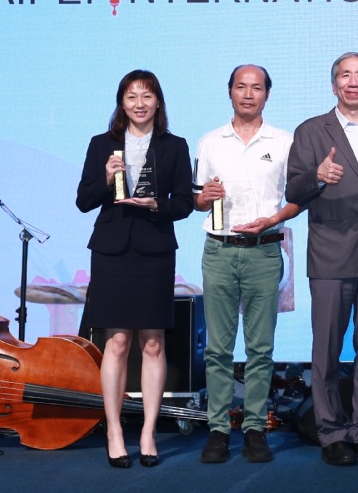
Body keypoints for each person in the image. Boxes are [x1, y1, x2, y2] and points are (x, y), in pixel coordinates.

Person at [76, 69, 195, 469]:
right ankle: (114, 431)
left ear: (158, 102)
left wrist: (157, 204)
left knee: (153, 343)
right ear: (121, 103)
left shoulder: (174, 146)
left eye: (147, 96)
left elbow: (184, 203)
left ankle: (147, 433)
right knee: (116, 342)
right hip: (112, 251)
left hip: (155, 249)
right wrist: (107, 179)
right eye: (131, 97)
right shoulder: (101, 144)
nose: (139, 104)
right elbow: (84, 201)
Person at [286, 52, 358, 466]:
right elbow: (294, 191)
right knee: (327, 352)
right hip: (331, 256)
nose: (354, 82)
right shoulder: (311, 130)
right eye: (345, 76)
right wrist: (317, 177)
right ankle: (331, 432)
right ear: (333, 84)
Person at [194, 64, 300, 464]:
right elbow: (196, 199)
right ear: (230, 92)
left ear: (267, 94)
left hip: (264, 251)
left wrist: (274, 218)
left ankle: (255, 428)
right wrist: (203, 198)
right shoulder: (210, 142)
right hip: (219, 251)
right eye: (241, 86)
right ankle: (218, 429)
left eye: (257, 88)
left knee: (260, 348)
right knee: (218, 349)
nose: (249, 94)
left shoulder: (284, 141)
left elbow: (298, 198)